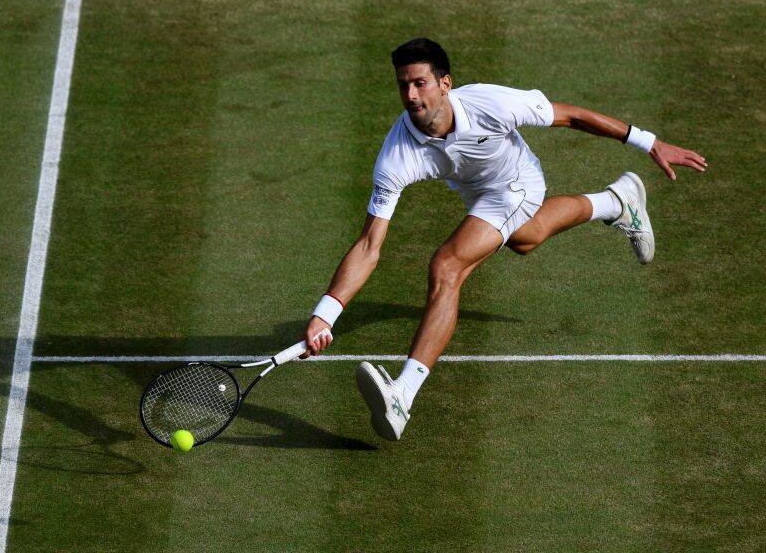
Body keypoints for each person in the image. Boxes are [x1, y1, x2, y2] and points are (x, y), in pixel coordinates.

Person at [300, 38, 706, 441]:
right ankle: (617, 202)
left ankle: (403, 394)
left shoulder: (490, 104)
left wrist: (649, 141)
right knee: (525, 238)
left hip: (516, 184)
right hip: (476, 193)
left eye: (419, 83)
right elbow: (370, 245)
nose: (410, 95)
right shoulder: (396, 156)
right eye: (403, 85)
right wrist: (326, 314)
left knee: (448, 266)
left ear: (445, 84)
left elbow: (573, 117)